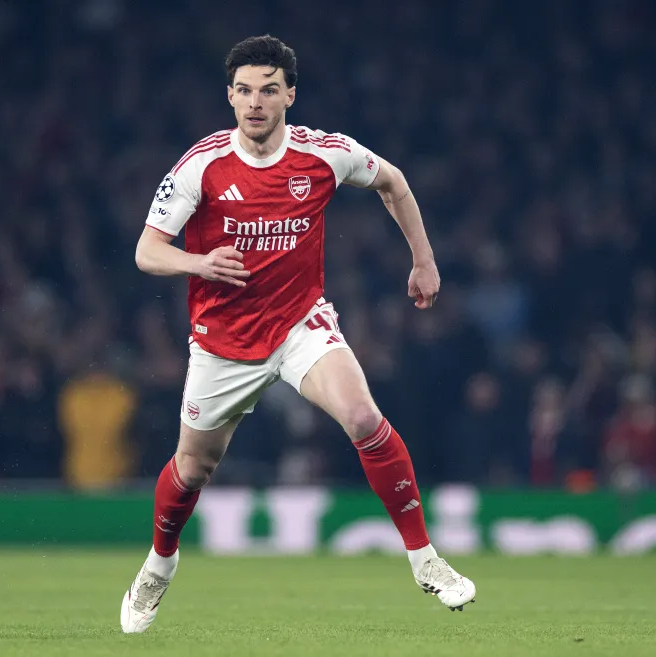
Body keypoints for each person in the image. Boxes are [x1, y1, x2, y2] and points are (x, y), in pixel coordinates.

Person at [122, 35, 476, 633]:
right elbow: (146, 251)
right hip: (222, 342)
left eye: (266, 90)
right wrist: (198, 263)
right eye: (243, 91)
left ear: (289, 94)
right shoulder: (201, 165)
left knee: (363, 417)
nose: (254, 102)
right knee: (193, 467)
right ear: (229, 97)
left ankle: (424, 558)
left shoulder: (325, 154)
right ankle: (159, 564)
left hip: (299, 325)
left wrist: (423, 260)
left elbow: (393, 181)